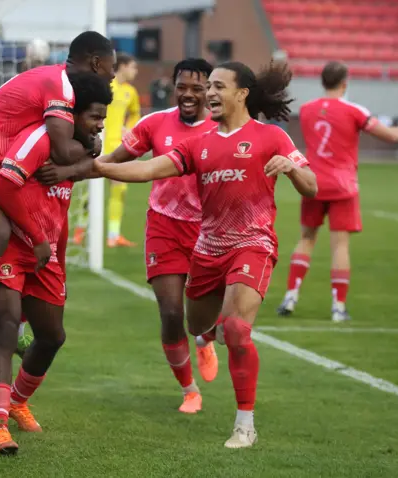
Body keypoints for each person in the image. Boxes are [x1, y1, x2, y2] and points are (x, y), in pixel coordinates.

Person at [93, 61, 318, 448]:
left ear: (241, 94)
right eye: (208, 86)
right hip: (208, 248)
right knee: (197, 326)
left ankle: (245, 425)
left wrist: (292, 170)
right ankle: (205, 337)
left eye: (217, 86)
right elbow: (148, 170)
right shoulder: (199, 143)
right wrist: (93, 167)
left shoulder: (272, 137)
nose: (209, 93)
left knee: (237, 330)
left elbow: (311, 186)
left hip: (253, 243)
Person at [0, 31, 115, 380]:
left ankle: (17, 331)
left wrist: (85, 148)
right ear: (96, 62)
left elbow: (64, 153)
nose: (112, 76)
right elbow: (63, 151)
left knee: (28, 236)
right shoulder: (60, 85)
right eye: (110, 69)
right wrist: (91, 148)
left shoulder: (60, 84)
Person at [0, 71, 112, 454]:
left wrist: (53, 251)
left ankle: (19, 400)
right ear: (72, 113)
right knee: (5, 331)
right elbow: (4, 186)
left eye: (103, 118)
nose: (99, 126)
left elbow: (88, 169)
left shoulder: (83, 148)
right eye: (94, 118)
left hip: (47, 255)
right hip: (14, 248)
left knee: (52, 336)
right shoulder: (40, 138)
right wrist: (36, 238)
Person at [87, 58, 217, 413]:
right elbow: (113, 160)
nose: (188, 95)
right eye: (182, 87)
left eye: (197, 88)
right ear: (172, 87)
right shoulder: (155, 123)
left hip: (210, 231)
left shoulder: (223, 129)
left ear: (211, 90)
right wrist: (73, 170)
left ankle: (205, 338)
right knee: (171, 312)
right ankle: (190, 390)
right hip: (164, 226)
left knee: (203, 318)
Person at [276, 61, 398, 321]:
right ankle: (338, 307)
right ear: (345, 83)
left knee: (307, 238)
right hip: (342, 185)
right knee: (339, 245)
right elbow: (389, 136)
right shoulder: (353, 110)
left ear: (323, 82)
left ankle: (291, 295)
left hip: (313, 182)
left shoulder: (308, 110)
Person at [72, 53, 141, 247]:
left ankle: (113, 235)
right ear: (124, 66)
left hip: (118, 147)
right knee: (90, 192)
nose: (135, 71)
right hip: (97, 145)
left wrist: (130, 127)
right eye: (133, 67)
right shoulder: (105, 86)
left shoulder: (131, 92)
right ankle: (80, 230)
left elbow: (135, 112)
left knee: (119, 190)